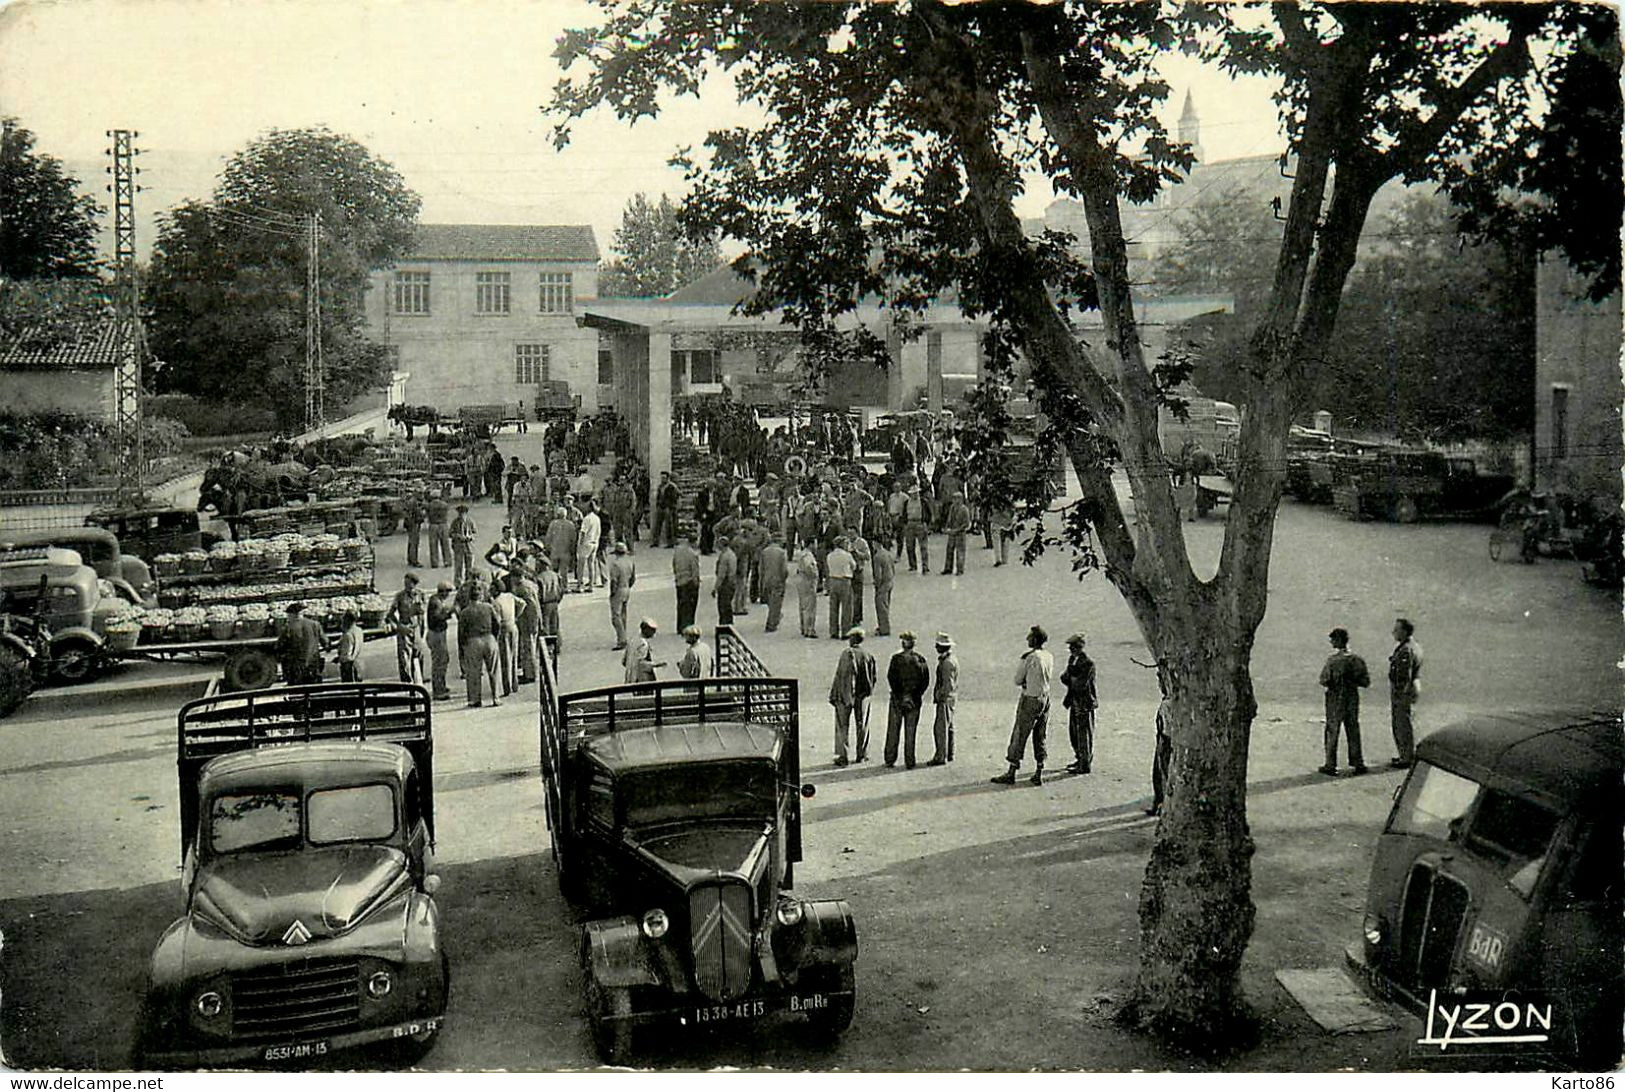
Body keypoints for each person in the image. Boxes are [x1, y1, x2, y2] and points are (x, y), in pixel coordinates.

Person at [991, 625, 1055, 786]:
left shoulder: (1029, 657)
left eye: (1029, 637)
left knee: (1019, 734)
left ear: (1034, 640)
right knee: (1040, 735)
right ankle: (1039, 770)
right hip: (1045, 698)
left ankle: (1012, 771)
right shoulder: (1049, 656)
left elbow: (1017, 680)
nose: (1027, 639)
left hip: (1030, 698)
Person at [1318, 627, 1371, 776]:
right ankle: (1358, 762)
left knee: (1332, 731)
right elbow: (1365, 682)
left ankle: (1330, 764)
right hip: (1352, 698)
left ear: (1338, 641)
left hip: (1335, 699)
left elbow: (1324, 680)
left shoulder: (1333, 661)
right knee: (1353, 729)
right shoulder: (1357, 660)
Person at [828, 627, 876, 766]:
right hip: (863, 695)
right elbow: (873, 677)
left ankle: (843, 756)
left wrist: (838, 694)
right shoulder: (868, 655)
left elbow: (843, 676)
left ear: (853, 639)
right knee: (862, 724)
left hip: (846, 694)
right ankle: (862, 754)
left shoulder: (847, 654)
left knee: (842, 725)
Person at [884, 631, 931, 769]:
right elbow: (925, 681)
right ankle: (909, 760)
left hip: (897, 700)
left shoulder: (896, 659)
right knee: (911, 732)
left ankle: (890, 759)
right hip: (914, 702)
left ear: (903, 643)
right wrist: (914, 695)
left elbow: (891, 678)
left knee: (893, 729)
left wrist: (901, 695)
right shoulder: (921, 660)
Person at [1059, 632, 1097, 774]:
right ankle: (1080, 758)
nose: (1071, 649)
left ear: (1080, 647)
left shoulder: (1087, 663)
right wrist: (1071, 678)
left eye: (1073, 647)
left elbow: (1080, 684)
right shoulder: (1072, 660)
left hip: (1084, 702)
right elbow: (1064, 677)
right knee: (1074, 733)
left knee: (1084, 734)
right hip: (1074, 700)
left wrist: (1071, 678)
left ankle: (1085, 763)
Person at [457, 586, 501, 707]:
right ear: (480, 596)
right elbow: (497, 623)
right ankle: (496, 697)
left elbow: (461, 632)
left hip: (473, 641)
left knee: (473, 672)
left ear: (469, 597)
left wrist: (462, 648)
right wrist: (494, 637)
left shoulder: (465, 612)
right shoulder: (488, 607)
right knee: (493, 670)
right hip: (489, 638)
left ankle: (475, 699)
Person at [1388, 618, 1423, 768]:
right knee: (1405, 723)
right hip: (1412, 687)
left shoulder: (1405, 650)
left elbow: (1403, 675)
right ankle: (1405, 754)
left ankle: (1406, 757)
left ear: (1404, 631)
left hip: (1403, 691)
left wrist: (1398, 694)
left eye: (1396, 630)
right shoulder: (1414, 646)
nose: (1393, 632)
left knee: (1402, 724)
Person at [384, 572, 428, 684]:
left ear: (414, 584)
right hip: (404, 628)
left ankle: (419, 677)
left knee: (418, 654)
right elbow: (390, 615)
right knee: (404, 656)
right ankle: (406, 680)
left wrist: (422, 629)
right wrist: (398, 626)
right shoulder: (399, 596)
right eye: (405, 583)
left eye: (409, 584)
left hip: (416, 627)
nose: (407, 586)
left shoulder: (421, 595)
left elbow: (423, 613)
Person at [274, 602, 326, 685]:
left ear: (292, 615)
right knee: (314, 692)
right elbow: (326, 643)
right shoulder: (315, 625)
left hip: (295, 669)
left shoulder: (288, 628)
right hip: (313, 666)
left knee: (297, 694)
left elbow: (279, 647)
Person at [491, 575, 524, 698]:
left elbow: (497, 619)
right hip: (513, 626)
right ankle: (514, 683)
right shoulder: (509, 596)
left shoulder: (496, 602)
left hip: (504, 628)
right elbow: (522, 603)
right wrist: (516, 616)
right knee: (514, 655)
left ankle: (507, 686)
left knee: (505, 658)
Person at [929, 632, 958, 765]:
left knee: (941, 728)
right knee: (949, 726)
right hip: (951, 698)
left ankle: (941, 756)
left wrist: (940, 696)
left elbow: (947, 684)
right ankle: (949, 753)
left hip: (945, 699)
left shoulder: (946, 663)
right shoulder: (950, 660)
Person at [425, 580, 456, 701]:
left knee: (442, 660)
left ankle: (441, 685)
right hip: (437, 634)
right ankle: (438, 690)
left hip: (437, 634)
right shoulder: (436, 602)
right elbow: (438, 617)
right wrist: (449, 613)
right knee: (440, 662)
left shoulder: (436, 600)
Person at [825, 536, 855, 639]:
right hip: (844, 580)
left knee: (833, 607)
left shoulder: (829, 556)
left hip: (833, 580)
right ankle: (846, 631)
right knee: (846, 607)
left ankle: (833, 630)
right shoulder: (847, 555)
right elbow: (853, 566)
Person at [608, 542, 636, 650]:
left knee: (616, 616)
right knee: (623, 614)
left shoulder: (615, 564)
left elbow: (613, 581)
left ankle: (622, 639)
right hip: (627, 588)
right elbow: (633, 578)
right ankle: (624, 636)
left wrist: (612, 593)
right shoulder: (630, 561)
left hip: (619, 589)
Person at [758, 533, 789, 633]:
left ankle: (773, 619)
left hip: (766, 580)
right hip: (777, 580)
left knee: (770, 601)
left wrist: (761, 581)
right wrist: (784, 579)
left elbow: (761, 569)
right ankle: (772, 623)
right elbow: (784, 569)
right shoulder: (781, 553)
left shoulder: (764, 551)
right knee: (776, 603)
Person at [673, 534, 702, 632]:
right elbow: (695, 570)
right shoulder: (692, 554)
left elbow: (674, 564)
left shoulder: (678, 551)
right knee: (689, 607)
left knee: (680, 605)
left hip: (679, 581)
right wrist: (696, 583)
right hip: (689, 582)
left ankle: (680, 626)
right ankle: (687, 626)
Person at [535, 555, 564, 653]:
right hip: (555, 602)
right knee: (555, 624)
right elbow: (561, 589)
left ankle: (547, 648)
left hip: (545, 603)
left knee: (545, 626)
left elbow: (539, 593)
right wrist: (558, 600)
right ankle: (557, 646)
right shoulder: (555, 575)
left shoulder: (540, 577)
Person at [623, 618, 662, 682]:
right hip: (641, 679)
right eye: (652, 631)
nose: (654, 633)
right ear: (646, 630)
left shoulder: (632, 641)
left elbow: (624, 661)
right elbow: (641, 665)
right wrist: (656, 664)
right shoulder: (643, 644)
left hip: (629, 677)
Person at [941, 490, 971, 576]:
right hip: (952, 533)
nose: (955, 500)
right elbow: (949, 519)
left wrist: (957, 530)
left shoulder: (964, 509)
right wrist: (947, 528)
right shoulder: (952, 508)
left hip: (960, 533)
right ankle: (948, 568)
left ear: (961, 499)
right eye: (954, 498)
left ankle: (960, 569)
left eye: (957, 498)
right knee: (949, 550)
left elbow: (966, 523)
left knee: (960, 551)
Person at [577, 500, 604, 592]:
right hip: (595, 542)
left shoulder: (586, 519)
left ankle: (580, 585)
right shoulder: (597, 518)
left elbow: (583, 532)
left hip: (586, 543)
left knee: (580, 565)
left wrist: (579, 544)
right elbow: (599, 531)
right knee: (591, 564)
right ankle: (591, 585)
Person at [794, 542, 819, 638]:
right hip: (808, 581)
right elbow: (809, 567)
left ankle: (803, 627)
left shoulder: (801, 554)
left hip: (801, 579)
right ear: (811, 544)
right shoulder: (808, 555)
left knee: (803, 605)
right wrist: (815, 574)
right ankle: (809, 629)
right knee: (810, 606)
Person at [870, 536, 894, 636]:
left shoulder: (877, 557)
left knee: (881, 606)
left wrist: (877, 584)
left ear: (876, 543)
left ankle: (884, 629)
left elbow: (878, 574)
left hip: (883, 583)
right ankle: (884, 626)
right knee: (886, 604)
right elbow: (893, 568)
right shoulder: (888, 554)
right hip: (890, 581)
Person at [903, 486, 931, 573]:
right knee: (910, 546)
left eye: (916, 493)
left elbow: (929, 513)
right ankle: (912, 565)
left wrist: (926, 524)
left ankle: (925, 566)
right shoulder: (907, 502)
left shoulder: (923, 502)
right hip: (910, 523)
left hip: (920, 523)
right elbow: (904, 513)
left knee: (923, 546)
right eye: (913, 493)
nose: (915, 495)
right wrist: (905, 524)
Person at [450, 504, 477, 584]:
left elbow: (475, 532)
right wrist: (458, 536)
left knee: (469, 565)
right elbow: (450, 533)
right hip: (458, 546)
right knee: (458, 565)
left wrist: (470, 537)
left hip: (469, 547)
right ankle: (458, 582)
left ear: (466, 513)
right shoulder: (455, 522)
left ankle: (469, 581)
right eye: (460, 513)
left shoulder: (470, 522)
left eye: (463, 513)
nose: (461, 515)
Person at [652, 470, 681, 548]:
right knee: (657, 525)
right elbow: (658, 496)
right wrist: (657, 504)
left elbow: (676, 496)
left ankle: (670, 542)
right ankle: (655, 541)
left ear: (667, 478)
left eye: (664, 478)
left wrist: (671, 506)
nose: (662, 479)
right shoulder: (660, 486)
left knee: (669, 526)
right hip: (660, 507)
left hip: (668, 508)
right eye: (661, 478)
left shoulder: (672, 487)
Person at [426, 487, 452, 570]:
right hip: (443, 524)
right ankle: (447, 561)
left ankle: (435, 562)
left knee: (433, 545)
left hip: (433, 525)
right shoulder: (444, 505)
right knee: (445, 544)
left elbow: (427, 514)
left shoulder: (429, 505)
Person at [714, 537, 738, 627]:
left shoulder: (724, 556)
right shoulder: (732, 554)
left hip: (725, 583)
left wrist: (716, 587)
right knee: (728, 606)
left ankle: (724, 625)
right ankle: (729, 624)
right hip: (732, 582)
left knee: (723, 606)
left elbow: (721, 574)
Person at [337, 611, 364, 682]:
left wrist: (339, 658)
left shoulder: (347, 634)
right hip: (358, 663)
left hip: (348, 665)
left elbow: (346, 653)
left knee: (349, 688)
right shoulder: (359, 630)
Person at [402, 490, 425, 568]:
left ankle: (410, 559)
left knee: (411, 542)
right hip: (414, 523)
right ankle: (414, 560)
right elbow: (416, 513)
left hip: (411, 523)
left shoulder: (410, 501)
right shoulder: (414, 502)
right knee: (414, 543)